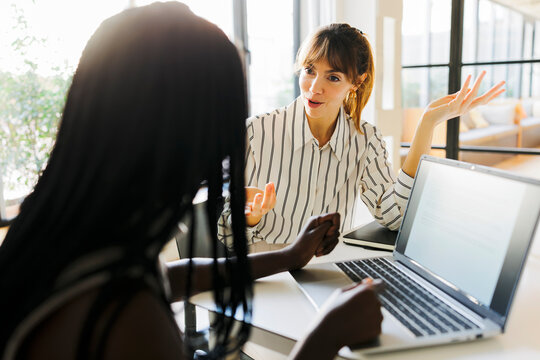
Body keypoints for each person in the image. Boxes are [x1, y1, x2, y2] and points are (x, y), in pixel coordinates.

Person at [0, 3, 383, 360]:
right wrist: (326, 336)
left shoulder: (63, 233)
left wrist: (288, 257)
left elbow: (172, 276)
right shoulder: (127, 315)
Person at [219, 23, 505, 251]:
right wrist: (250, 217)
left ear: (357, 82)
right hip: (266, 268)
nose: (313, 88)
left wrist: (427, 124)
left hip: (326, 265)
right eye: (309, 71)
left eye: (333, 78)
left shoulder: (364, 140)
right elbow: (227, 238)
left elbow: (393, 217)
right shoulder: (256, 132)